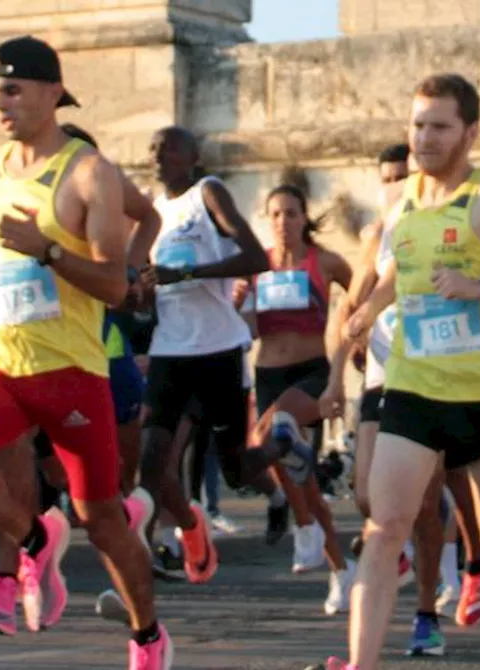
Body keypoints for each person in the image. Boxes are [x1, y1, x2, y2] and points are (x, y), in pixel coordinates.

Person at [0, 36, 168, 669]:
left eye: (11, 90)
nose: (0, 104)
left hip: (70, 370)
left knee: (105, 521)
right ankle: (38, 536)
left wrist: (48, 250)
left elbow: (116, 286)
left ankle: (148, 635)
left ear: (51, 92)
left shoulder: (89, 173)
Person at [322, 73, 480, 670]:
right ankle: (361, 664)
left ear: (471, 131)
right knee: (384, 525)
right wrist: (372, 306)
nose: (424, 138)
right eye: (417, 124)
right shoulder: (402, 199)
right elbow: (403, 269)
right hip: (414, 389)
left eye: (439, 126)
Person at [137, 125, 314, 586]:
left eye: (169, 147)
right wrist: (141, 291)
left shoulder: (207, 194)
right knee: (153, 458)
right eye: (153, 148)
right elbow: (148, 286)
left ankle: (282, 445)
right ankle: (155, 552)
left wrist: (190, 271)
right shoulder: (152, 214)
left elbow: (256, 257)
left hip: (218, 349)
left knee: (235, 470)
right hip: (170, 350)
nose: (158, 155)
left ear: (193, 155)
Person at [239, 184, 354, 613]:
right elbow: (248, 330)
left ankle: (304, 528)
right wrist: (240, 305)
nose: (283, 222)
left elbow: (360, 295)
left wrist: (356, 340)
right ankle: (340, 570)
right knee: (299, 477)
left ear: (304, 217)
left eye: (290, 213)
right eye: (275, 214)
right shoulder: (258, 266)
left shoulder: (324, 261)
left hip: (310, 376)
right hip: (267, 373)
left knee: (268, 433)